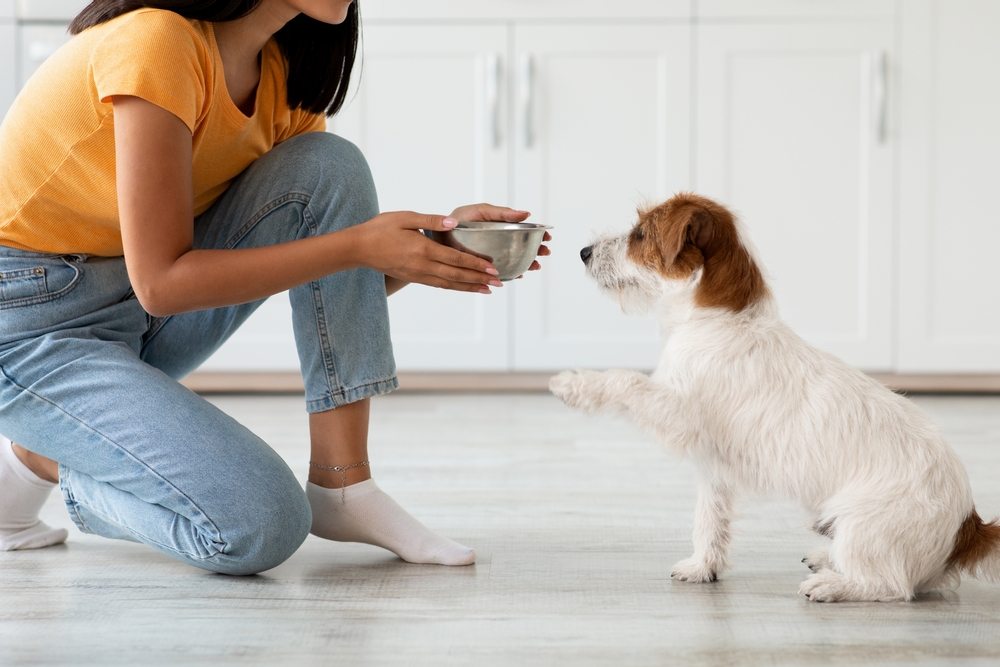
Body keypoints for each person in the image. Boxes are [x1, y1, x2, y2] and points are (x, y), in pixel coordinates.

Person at [0, 0, 548, 573]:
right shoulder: (158, 41)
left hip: (130, 303)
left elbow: (322, 281)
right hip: (30, 323)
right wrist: (359, 244)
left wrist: (424, 254)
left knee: (328, 166)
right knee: (260, 526)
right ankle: (43, 455)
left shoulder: (280, 74)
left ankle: (344, 487)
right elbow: (162, 282)